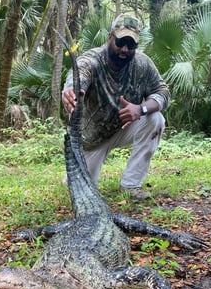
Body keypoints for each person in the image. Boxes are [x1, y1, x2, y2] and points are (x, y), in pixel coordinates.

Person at [62, 12, 170, 200]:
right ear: (110, 37)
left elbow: (163, 92)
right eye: (120, 42)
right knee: (81, 190)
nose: (125, 49)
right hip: (91, 139)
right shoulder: (92, 60)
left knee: (155, 118)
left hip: (122, 128)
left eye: (131, 45)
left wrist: (141, 108)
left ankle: (130, 185)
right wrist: (72, 91)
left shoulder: (142, 64)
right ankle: (77, 172)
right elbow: (78, 76)